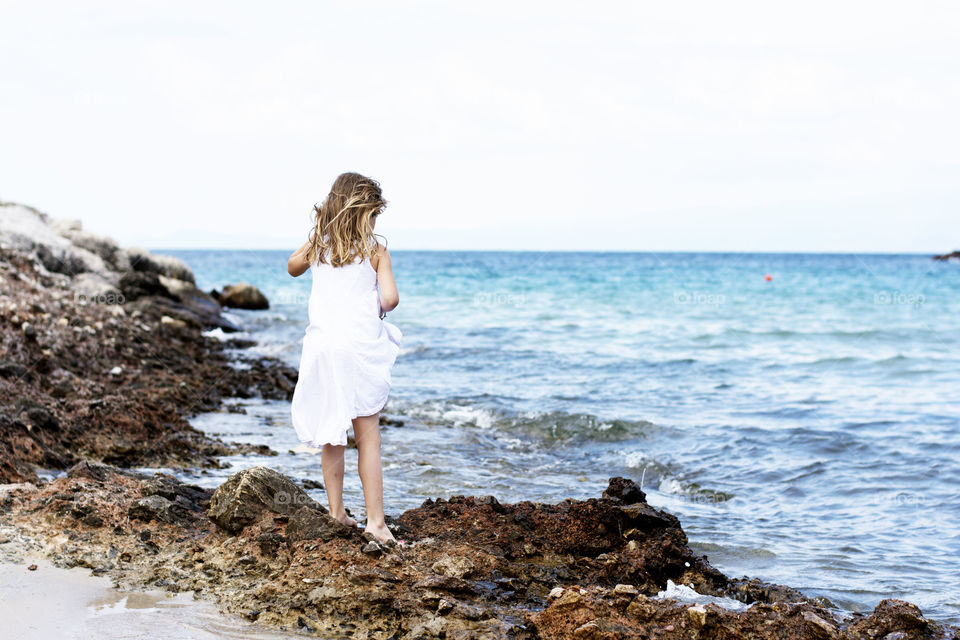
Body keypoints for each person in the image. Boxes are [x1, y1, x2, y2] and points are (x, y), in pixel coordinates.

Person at [287, 172, 404, 546]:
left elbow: (291, 266)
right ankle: (375, 522)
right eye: (373, 215)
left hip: (322, 349)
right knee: (367, 435)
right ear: (364, 213)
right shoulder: (375, 252)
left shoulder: (318, 247)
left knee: (331, 434)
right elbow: (390, 300)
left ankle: (336, 512)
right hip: (357, 349)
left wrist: (318, 237)